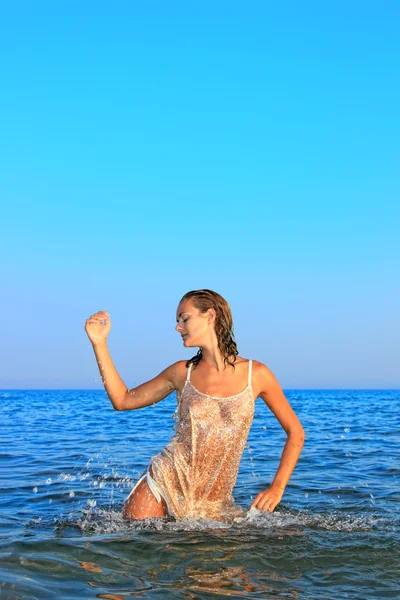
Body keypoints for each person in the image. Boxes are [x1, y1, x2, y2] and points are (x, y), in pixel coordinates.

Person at [85, 289, 305, 522]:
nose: (178, 327)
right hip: (163, 482)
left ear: (210, 316)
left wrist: (277, 488)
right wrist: (99, 344)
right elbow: (123, 400)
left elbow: (296, 433)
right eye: (177, 321)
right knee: (134, 552)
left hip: (213, 502)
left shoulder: (257, 374)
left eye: (184, 318)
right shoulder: (182, 372)